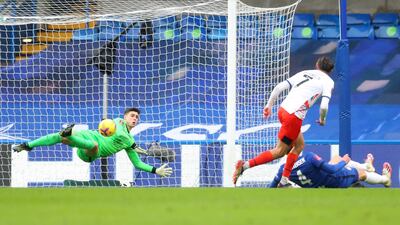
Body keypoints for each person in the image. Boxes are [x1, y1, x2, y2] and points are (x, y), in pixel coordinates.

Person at [233, 56, 335, 187]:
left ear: (317, 65)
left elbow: (279, 87)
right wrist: (322, 119)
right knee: (280, 151)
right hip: (294, 116)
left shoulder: (305, 73)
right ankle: (245, 166)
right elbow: (324, 105)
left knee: (299, 145)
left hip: (282, 110)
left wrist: (269, 105)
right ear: (330, 71)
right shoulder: (328, 82)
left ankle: (284, 181)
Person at [11, 107, 173, 178]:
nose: (135, 119)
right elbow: (122, 133)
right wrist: (136, 147)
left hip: (89, 152)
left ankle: (69, 136)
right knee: (61, 137)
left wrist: (154, 170)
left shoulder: (129, 141)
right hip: (87, 136)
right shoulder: (117, 122)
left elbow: (137, 164)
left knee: (92, 145)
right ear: (125, 117)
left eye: (137, 117)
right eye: (132, 115)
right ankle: (28, 145)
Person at [269, 151, 392, 188]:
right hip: (331, 180)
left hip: (315, 186)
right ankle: (385, 180)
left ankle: (367, 165)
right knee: (361, 174)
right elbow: (332, 170)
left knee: (335, 158)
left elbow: (272, 187)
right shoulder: (308, 157)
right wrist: (345, 161)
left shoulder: (282, 169)